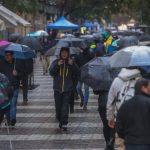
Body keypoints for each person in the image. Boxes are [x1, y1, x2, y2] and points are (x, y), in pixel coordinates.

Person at [106, 68, 141, 150]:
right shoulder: (142, 80)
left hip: (120, 118)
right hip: (137, 119)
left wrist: (110, 117)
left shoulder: (117, 80)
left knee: (121, 144)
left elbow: (110, 102)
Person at [49, 47, 79, 131]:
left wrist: (72, 65)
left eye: (66, 52)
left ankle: (64, 122)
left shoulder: (71, 63)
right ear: (60, 54)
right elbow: (51, 72)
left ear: (68, 54)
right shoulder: (56, 62)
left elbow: (77, 73)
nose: (64, 54)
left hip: (67, 89)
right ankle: (60, 120)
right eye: (63, 52)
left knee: (65, 107)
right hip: (57, 89)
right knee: (58, 109)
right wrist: (57, 65)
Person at [116, 78, 150, 150]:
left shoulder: (125, 105)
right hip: (146, 143)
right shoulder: (148, 102)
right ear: (143, 88)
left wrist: (125, 136)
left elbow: (119, 125)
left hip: (130, 143)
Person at [0, 51, 21, 126]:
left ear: (12, 56)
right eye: (6, 55)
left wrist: (17, 73)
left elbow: (23, 74)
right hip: (5, 88)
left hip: (14, 86)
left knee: (13, 103)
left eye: (9, 55)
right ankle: (8, 119)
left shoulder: (17, 63)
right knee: (6, 104)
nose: (7, 57)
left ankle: (12, 119)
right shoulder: (1, 63)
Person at [76, 46, 93, 110]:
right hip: (80, 74)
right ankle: (82, 98)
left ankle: (85, 103)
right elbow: (76, 63)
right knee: (78, 88)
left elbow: (92, 63)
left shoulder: (90, 54)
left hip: (87, 74)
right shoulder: (79, 55)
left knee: (86, 89)